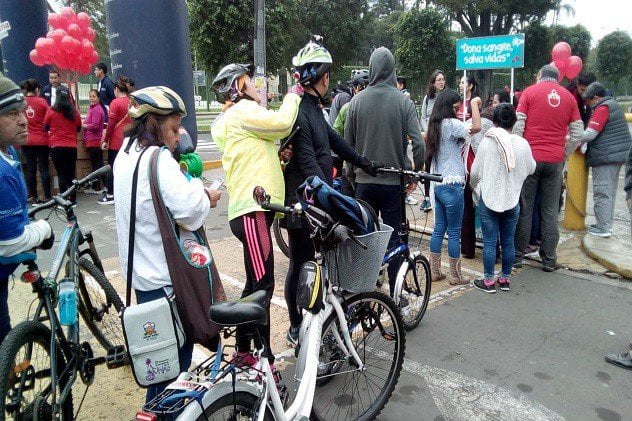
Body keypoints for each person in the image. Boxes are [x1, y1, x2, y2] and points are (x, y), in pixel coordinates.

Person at [113, 85, 220, 402]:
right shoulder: (158, 160)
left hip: (141, 280)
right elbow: (189, 211)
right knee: (173, 372)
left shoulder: (125, 156)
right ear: (154, 123)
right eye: (173, 127)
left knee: (156, 368)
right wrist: (206, 196)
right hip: (166, 281)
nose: (178, 135)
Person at [283, 37, 380, 345]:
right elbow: (310, 167)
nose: (329, 80)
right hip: (303, 203)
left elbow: (334, 141)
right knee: (300, 263)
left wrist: (364, 161)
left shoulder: (314, 109)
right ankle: (297, 326)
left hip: (314, 199)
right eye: (327, 75)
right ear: (322, 77)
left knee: (311, 263)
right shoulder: (301, 111)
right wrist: (332, 201)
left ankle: (313, 320)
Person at [211, 62, 300, 368]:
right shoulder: (241, 111)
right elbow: (282, 123)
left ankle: (244, 351)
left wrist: (277, 158)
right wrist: (293, 93)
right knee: (263, 286)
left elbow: (253, 157)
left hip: (253, 211)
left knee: (254, 283)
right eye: (251, 82)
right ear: (237, 87)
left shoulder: (237, 118)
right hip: (253, 211)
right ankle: (264, 358)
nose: (257, 87)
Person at [344, 46, 424, 292]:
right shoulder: (404, 101)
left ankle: (362, 292)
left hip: (363, 185)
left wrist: (350, 174)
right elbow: (419, 143)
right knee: (394, 240)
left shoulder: (356, 101)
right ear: (392, 69)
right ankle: (396, 294)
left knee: (364, 239)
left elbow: (348, 145)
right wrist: (414, 172)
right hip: (392, 185)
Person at [0, 73, 54, 344]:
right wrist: (43, 229)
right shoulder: (1, 172)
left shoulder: (7, 152)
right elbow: (9, 243)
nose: (23, 119)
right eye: (11, 113)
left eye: (22, 111)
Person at [512, 64, 583, 271]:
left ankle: (517, 256)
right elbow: (578, 133)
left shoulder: (529, 93)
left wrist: (520, 152)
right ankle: (549, 259)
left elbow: (518, 126)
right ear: (557, 78)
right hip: (555, 161)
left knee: (526, 209)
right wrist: (564, 153)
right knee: (550, 211)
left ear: (540, 75)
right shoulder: (568, 97)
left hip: (531, 160)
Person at [470, 104, 536, 293]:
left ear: (495, 121)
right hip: (512, 201)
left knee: (490, 242)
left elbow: (475, 172)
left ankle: (489, 281)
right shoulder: (522, 144)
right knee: (508, 242)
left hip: (489, 200)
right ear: (514, 122)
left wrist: (473, 185)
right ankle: (505, 279)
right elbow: (531, 168)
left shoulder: (487, 141)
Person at [426, 88, 481, 284]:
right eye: (457, 108)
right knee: (455, 232)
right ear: (448, 107)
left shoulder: (435, 125)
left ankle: (434, 271)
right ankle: (456, 276)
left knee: (439, 228)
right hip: (454, 182)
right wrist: (474, 104)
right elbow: (477, 126)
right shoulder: (452, 124)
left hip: (439, 183)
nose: (459, 111)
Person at [579, 82, 632, 238]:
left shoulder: (603, 108)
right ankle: (605, 224)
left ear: (596, 98)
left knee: (602, 192)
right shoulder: (612, 105)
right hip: (615, 156)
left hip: (605, 157)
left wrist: (570, 138)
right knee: (609, 192)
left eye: (588, 101)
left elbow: (590, 134)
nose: (588, 105)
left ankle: (603, 227)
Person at [457, 75, 483, 259]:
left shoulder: (475, 103)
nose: (460, 85)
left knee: (468, 204)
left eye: (464, 82)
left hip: (469, 158)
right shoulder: (457, 104)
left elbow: (476, 127)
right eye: (459, 82)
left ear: (472, 86)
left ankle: (468, 247)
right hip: (455, 156)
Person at [43, 90, 81, 205]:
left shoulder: (51, 110)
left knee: (61, 174)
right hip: (71, 147)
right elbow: (79, 128)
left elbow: (45, 127)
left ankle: (64, 201)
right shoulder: (74, 112)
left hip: (56, 147)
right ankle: (73, 200)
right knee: (71, 174)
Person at [100, 76, 133, 205]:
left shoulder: (115, 103)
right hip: (129, 140)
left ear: (116, 89)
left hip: (116, 141)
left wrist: (105, 140)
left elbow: (111, 124)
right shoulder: (132, 101)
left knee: (113, 168)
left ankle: (110, 194)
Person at [20, 79, 51, 203]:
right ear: (37, 90)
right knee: (43, 168)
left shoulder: (22, 103)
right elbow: (49, 118)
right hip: (42, 140)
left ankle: (32, 196)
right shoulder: (42, 102)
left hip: (27, 140)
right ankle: (48, 196)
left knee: (31, 168)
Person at [419, 70, 446, 211]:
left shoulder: (447, 98)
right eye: (439, 80)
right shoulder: (427, 99)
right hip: (429, 138)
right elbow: (423, 117)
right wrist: (426, 132)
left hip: (442, 137)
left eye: (443, 79)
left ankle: (440, 197)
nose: (442, 82)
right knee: (428, 165)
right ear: (433, 82)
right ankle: (427, 198)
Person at [83, 89, 107, 194]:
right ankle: (97, 186)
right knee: (96, 165)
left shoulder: (97, 109)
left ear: (98, 98)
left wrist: (84, 126)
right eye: (90, 96)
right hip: (91, 141)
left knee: (97, 165)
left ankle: (99, 186)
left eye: (94, 96)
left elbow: (96, 125)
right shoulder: (92, 109)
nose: (91, 98)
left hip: (94, 140)